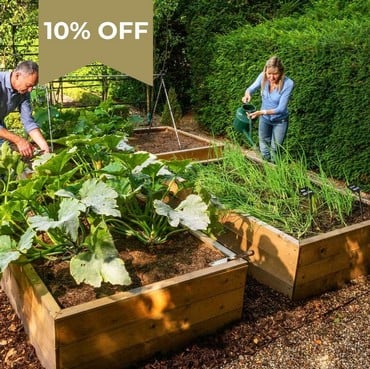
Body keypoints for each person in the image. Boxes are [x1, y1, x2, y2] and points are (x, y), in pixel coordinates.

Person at [242, 56, 294, 162]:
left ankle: (277, 171)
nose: (271, 77)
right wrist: (247, 94)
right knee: (264, 148)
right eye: (269, 73)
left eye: (275, 74)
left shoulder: (288, 84)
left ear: (281, 72)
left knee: (275, 150)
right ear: (265, 71)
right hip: (265, 119)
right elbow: (250, 88)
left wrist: (261, 112)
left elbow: (281, 109)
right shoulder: (263, 77)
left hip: (280, 121)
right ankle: (266, 171)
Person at [0, 60, 50, 157]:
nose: (30, 90)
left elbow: (28, 122)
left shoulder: (24, 92)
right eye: (29, 85)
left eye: (33, 86)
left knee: (7, 161)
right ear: (17, 75)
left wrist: (44, 147)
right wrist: (19, 141)